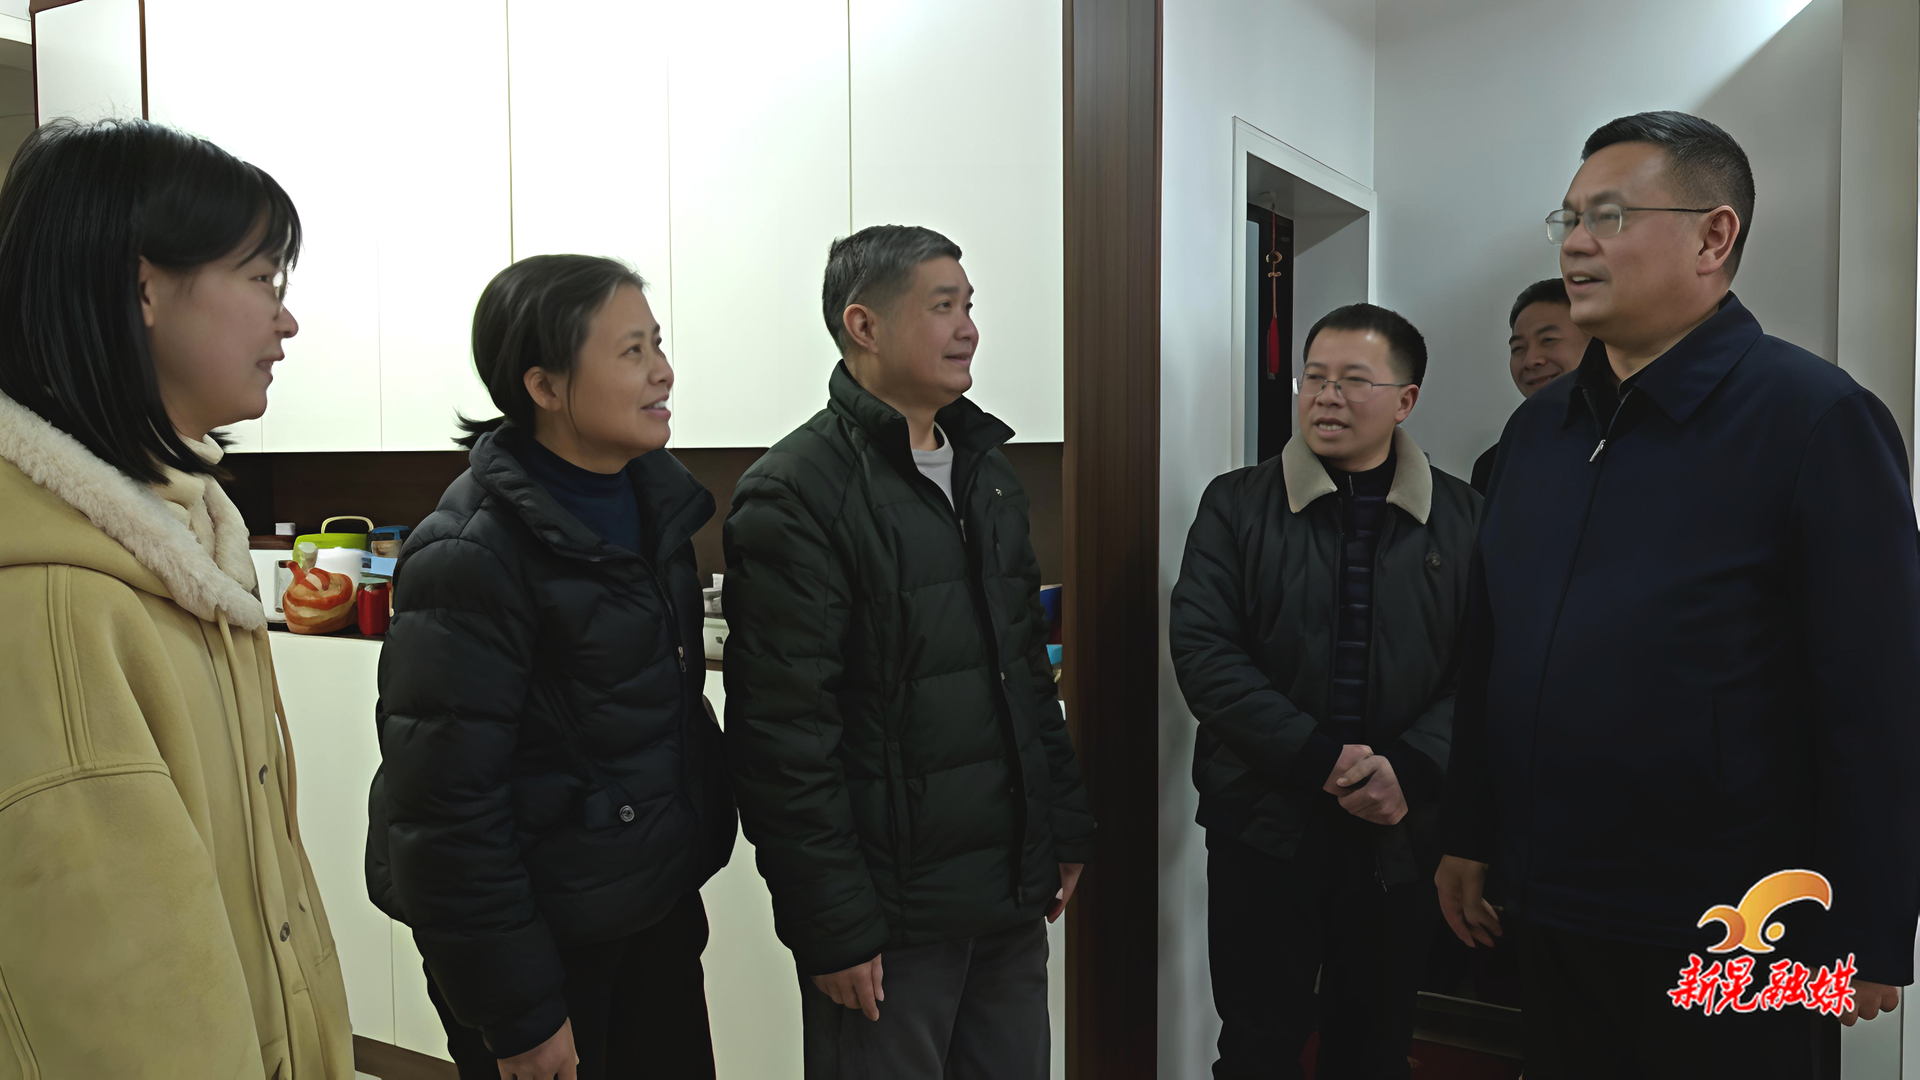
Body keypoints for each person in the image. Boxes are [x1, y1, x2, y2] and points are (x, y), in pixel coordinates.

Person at [1437, 111, 1920, 1076]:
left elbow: (1879, 696)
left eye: (1609, 216)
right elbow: (1491, 651)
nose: (1576, 244)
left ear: (1713, 237)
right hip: (1556, 899)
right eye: (1569, 218)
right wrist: (1469, 833)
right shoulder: (1537, 435)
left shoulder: (1815, 419)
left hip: (1741, 921)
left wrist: (1870, 923)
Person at [0, 118, 353, 1076]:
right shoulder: (56, 602)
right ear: (144, 287)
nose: (285, 321)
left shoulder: (182, 544)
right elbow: (130, 1015)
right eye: (262, 279)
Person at [722, 225, 1095, 1079]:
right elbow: (784, 740)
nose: (968, 328)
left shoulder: (987, 474)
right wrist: (832, 923)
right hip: (889, 920)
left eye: (969, 306)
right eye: (942, 306)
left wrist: (1064, 825)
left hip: (1006, 894)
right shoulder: (797, 491)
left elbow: (1024, 675)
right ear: (864, 325)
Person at [367, 255, 737, 1080]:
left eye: (658, 344)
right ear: (543, 385)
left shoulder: (656, 510)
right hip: (541, 947)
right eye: (632, 351)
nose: (663, 371)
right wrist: (519, 1011)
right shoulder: (469, 555)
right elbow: (446, 813)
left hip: (651, 911)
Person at [1171, 303, 1481, 1079]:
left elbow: (1484, 669)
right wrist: (1320, 759)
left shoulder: (1466, 519)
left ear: (1405, 400)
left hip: (1399, 827)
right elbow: (1206, 654)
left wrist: (1410, 768)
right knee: (1256, 1042)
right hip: (1262, 819)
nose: (1326, 397)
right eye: (1314, 378)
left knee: (1373, 1044)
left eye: (1352, 380)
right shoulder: (1235, 504)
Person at [1468, 279, 1590, 494]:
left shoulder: (1634, 443)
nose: (1530, 360)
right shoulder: (1493, 465)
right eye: (1518, 348)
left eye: (1548, 340)